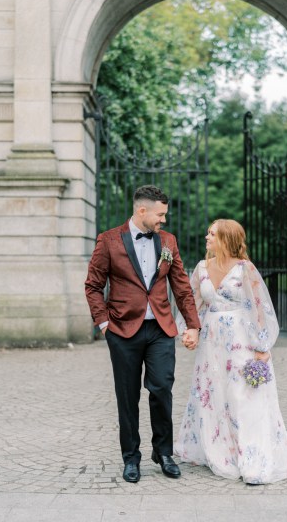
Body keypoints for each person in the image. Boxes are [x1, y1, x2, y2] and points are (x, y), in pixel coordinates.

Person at [85, 185, 200, 484]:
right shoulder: (109, 240)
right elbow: (93, 285)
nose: (164, 219)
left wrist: (193, 325)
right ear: (142, 211)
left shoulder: (168, 241)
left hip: (160, 329)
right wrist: (103, 323)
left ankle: (163, 452)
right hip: (122, 330)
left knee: (162, 389)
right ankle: (131, 458)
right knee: (127, 396)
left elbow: (182, 286)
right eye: (160, 214)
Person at [176, 219, 287, 485]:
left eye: (212, 234)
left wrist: (262, 347)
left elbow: (260, 308)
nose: (206, 237)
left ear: (226, 239)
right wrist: (190, 330)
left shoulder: (245, 269)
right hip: (212, 343)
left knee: (243, 395)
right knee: (212, 394)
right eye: (207, 232)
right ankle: (217, 448)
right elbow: (192, 304)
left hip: (241, 341)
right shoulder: (201, 268)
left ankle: (251, 457)